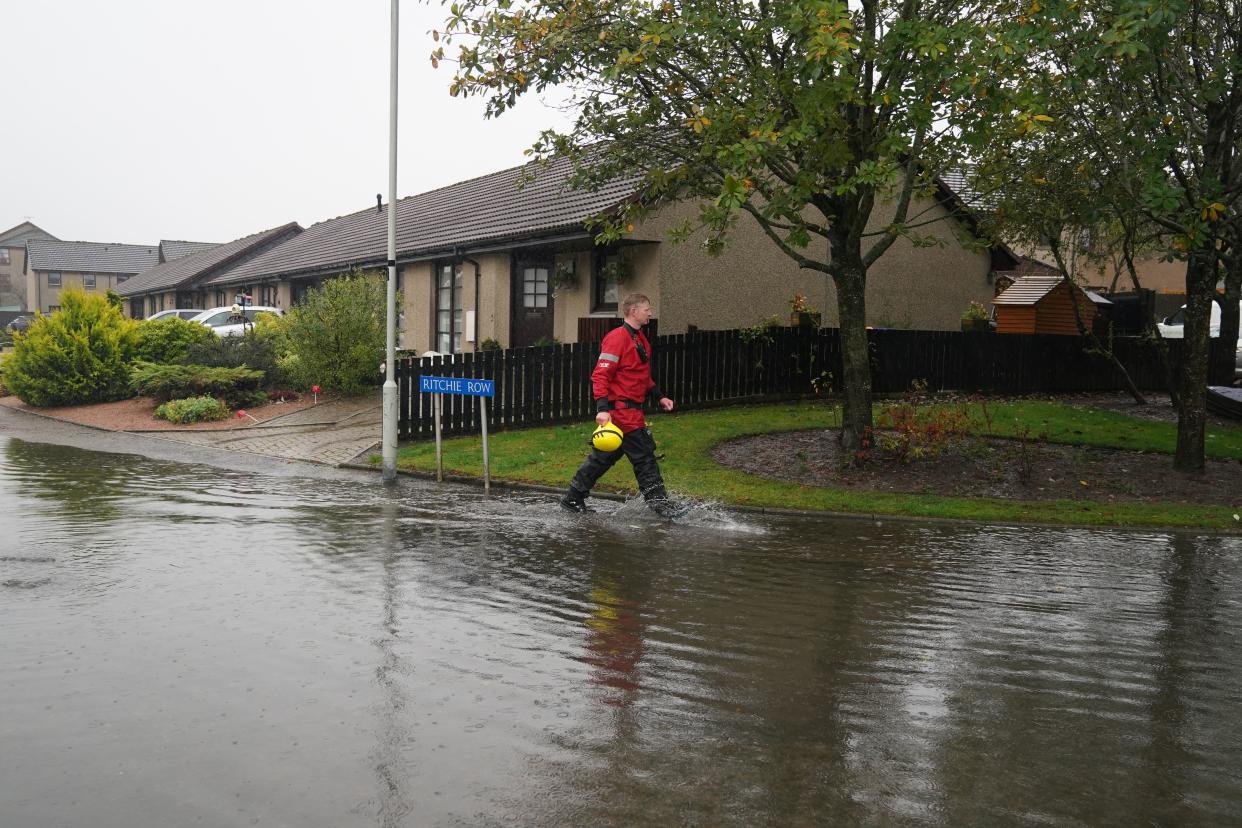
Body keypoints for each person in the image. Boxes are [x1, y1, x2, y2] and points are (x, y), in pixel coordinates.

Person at [561, 293, 680, 516]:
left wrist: (660, 396)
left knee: (602, 459)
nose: (650, 313)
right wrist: (603, 409)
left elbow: (642, 376)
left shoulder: (641, 339)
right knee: (644, 457)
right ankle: (660, 504)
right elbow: (600, 376)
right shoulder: (617, 338)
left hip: (632, 412)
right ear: (633, 311)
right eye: (647, 309)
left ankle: (573, 497)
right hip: (622, 414)